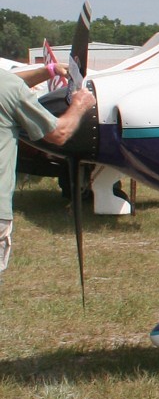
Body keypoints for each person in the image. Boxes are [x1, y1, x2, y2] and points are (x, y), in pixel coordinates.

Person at [1, 63, 96, 283]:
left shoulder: (8, 85)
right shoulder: (7, 86)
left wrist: (48, 71)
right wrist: (80, 105)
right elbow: (60, 133)